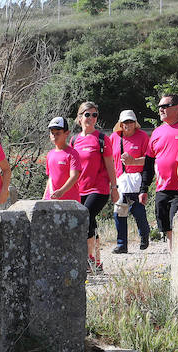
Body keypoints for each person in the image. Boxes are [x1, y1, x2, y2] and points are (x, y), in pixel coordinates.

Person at [71, 101, 117, 270]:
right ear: (79, 117)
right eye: (87, 114)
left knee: (85, 217)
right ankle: (96, 261)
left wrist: (114, 188)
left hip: (99, 189)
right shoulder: (74, 139)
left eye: (94, 115)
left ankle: (89, 259)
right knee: (90, 222)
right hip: (79, 189)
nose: (91, 118)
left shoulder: (102, 139)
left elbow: (110, 164)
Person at [141, 93, 178, 245]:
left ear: (177, 108)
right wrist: (144, 188)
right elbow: (149, 162)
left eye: (164, 106)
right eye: (159, 106)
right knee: (167, 228)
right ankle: (174, 263)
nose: (160, 109)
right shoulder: (157, 132)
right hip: (162, 189)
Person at [108, 109, 150, 253]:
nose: (128, 124)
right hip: (120, 179)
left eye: (131, 121)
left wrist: (133, 161)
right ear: (120, 123)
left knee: (137, 210)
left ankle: (144, 235)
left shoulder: (143, 137)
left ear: (135, 123)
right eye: (125, 122)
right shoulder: (114, 137)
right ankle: (122, 245)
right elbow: (109, 159)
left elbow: (149, 160)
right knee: (119, 211)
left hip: (136, 179)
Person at [43, 117, 83, 203]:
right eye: (52, 133)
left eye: (58, 133)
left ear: (66, 133)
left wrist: (62, 191)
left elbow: (74, 176)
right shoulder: (50, 154)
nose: (54, 136)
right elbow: (50, 178)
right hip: (51, 200)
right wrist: (44, 199)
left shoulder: (72, 154)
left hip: (70, 201)